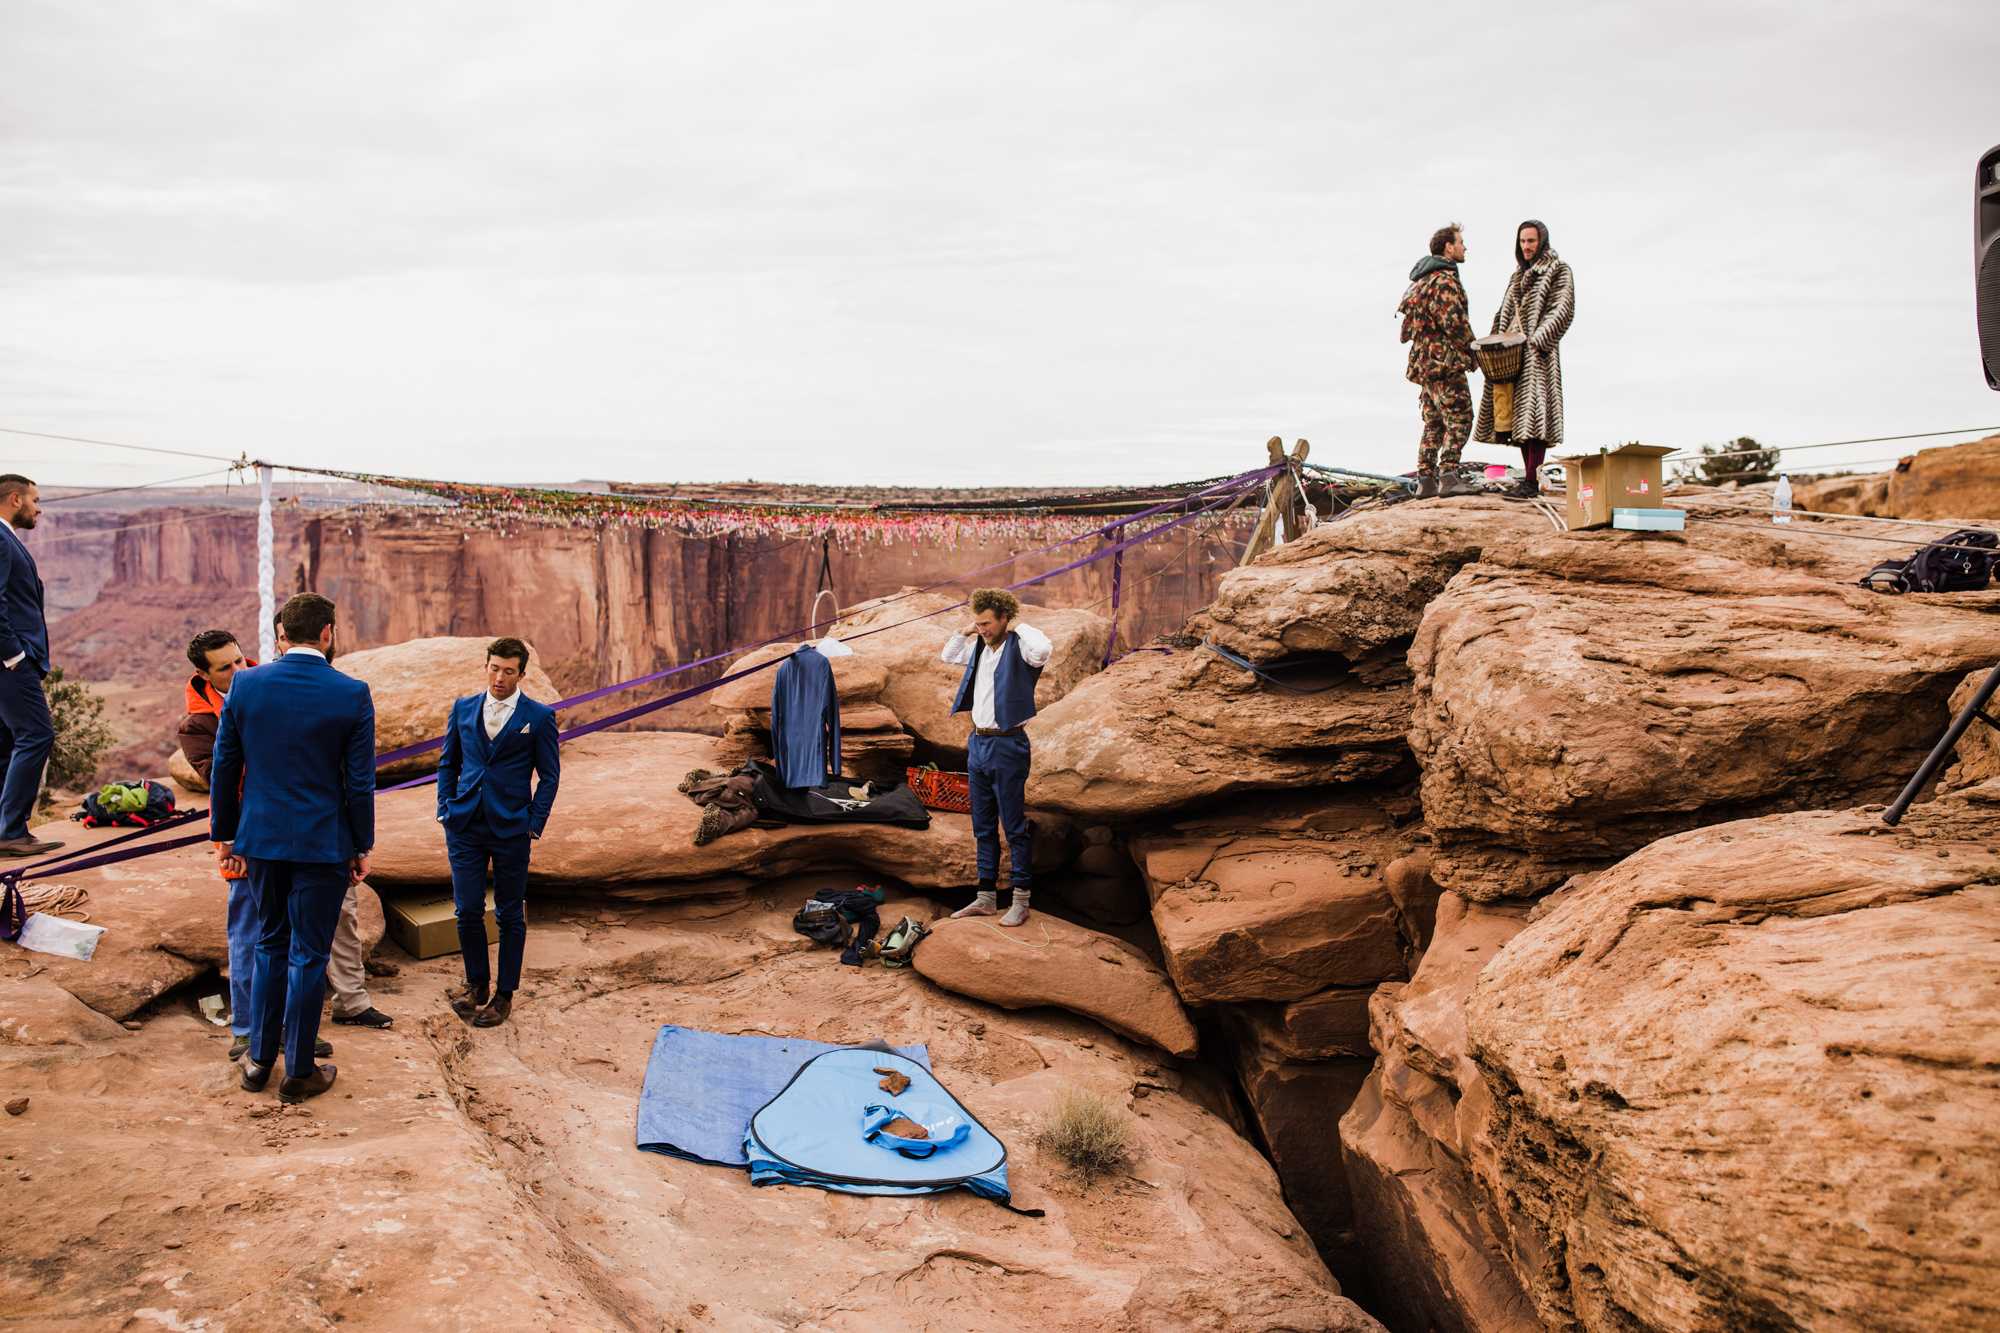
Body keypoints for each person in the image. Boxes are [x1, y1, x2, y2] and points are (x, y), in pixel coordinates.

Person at [211, 593, 374, 1103]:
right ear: (327, 633)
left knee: (269, 944)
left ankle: (259, 1061)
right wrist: (361, 844)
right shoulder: (352, 693)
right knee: (308, 955)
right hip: (323, 843)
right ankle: (299, 1070)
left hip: (260, 839)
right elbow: (358, 783)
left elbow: (225, 765)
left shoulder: (246, 683)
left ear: (284, 635)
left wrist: (225, 834)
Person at [437, 637, 560, 1028]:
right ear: (486, 666)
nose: (500, 677)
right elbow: (448, 764)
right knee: (468, 909)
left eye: (509, 670)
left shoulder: (538, 717)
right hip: (465, 825)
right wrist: (445, 807)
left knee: (509, 913)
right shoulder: (463, 708)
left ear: (522, 674)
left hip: (511, 828)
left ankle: (505, 994)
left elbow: (550, 777)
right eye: (494, 668)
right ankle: (477, 985)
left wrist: (533, 823)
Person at [940, 589, 1051, 927]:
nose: (982, 629)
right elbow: (948, 655)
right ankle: (986, 898)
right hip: (979, 744)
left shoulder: (1021, 648)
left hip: (1008, 744)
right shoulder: (979, 646)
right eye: (978, 623)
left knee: (1014, 827)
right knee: (983, 825)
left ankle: (1020, 900)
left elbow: (1043, 648)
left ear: (1005, 618)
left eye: (987, 623)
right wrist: (967, 630)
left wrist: (1020, 627)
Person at [1474, 219, 1575, 497]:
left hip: (1538, 355)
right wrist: (1493, 346)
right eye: (1522, 241)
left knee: (1536, 417)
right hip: (1510, 354)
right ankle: (1529, 479)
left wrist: (1537, 342)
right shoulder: (1516, 275)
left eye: (1530, 241)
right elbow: (1502, 312)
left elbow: (1562, 309)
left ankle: (1531, 480)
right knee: (1517, 418)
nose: (1526, 246)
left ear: (1541, 241)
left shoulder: (1558, 270)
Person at [0, 475, 61, 857]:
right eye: (35, 500)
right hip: (8, 662)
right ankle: (11, 830)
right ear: (15, 498)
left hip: (10, 661)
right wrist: (14, 655)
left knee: (6, 742)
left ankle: (5, 830)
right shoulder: (1, 540)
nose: (39, 508)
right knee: (37, 734)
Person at [1397, 224, 1481, 499]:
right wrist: (1473, 351)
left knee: (1434, 422)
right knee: (1460, 417)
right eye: (1461, 242)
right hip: (1444, 362)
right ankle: (1449, 476)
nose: (1464, 247)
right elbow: (1454, 323)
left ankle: (1426, 481)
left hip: (1423, 364)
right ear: (1448, 246)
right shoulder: (1444, 280)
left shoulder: (1418, 283)